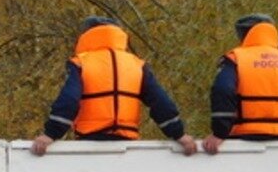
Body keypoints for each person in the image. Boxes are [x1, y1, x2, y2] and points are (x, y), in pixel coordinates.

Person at [31, 16, 197, 156]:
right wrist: (179, 134)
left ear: (86, 35)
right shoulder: (137, 65)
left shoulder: (81, 63)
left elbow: (69, 101)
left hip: (89, 143)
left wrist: (50, 134)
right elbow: (160, 102)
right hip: (126, 144)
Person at [202, 14, 278, 155]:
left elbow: (223, 90)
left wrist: (219, 132)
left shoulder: (236, 58)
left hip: (246, 136)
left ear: (243, 34)